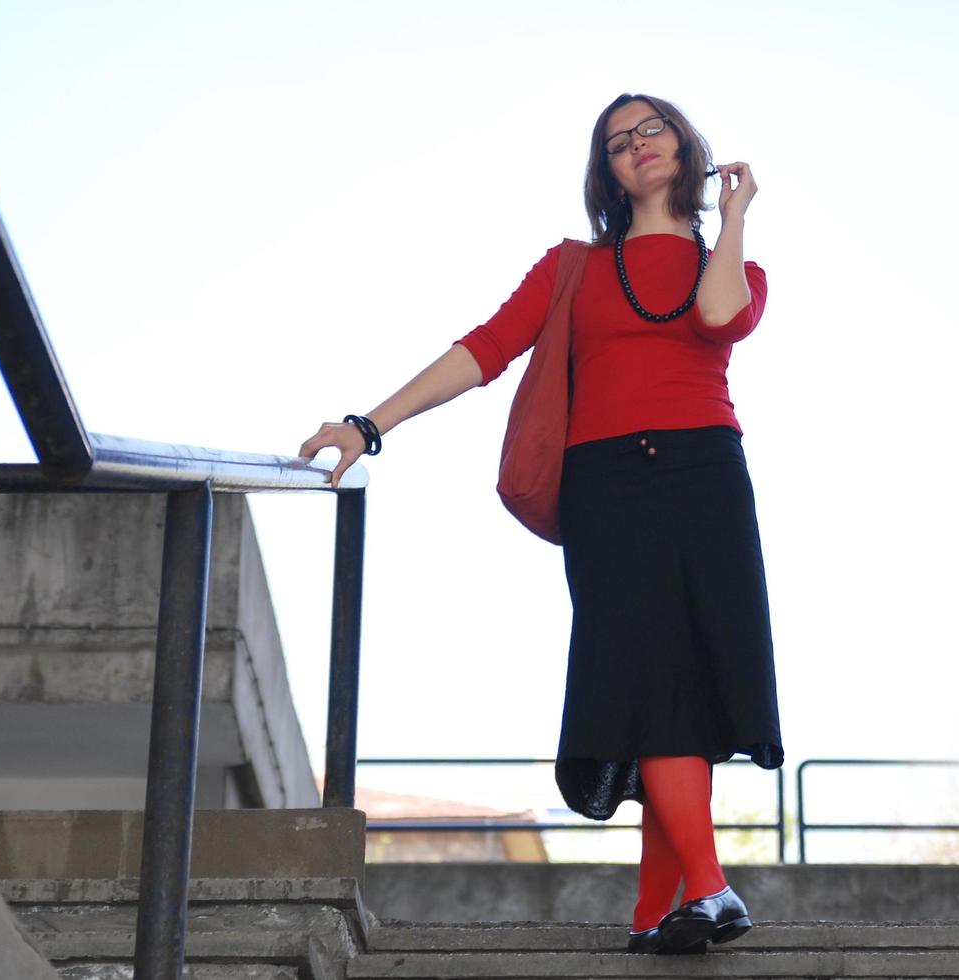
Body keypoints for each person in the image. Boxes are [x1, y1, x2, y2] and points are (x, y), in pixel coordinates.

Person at [298, 92, 783, 955]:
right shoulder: (571, 267)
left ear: (683, 142)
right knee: (645, 673)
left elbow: (716, 316)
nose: (638, 146)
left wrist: (733, 216)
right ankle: (709, 888)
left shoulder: (734, 265)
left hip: (706, 475)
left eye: (652, 130)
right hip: (606, 487)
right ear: (606, 170)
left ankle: (656, 913)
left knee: (684, 685)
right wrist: (369, 424)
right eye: (618, 142)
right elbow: (481, 349)